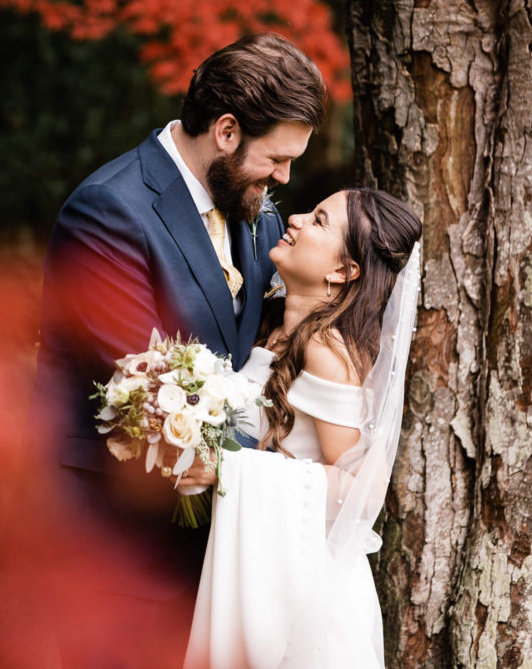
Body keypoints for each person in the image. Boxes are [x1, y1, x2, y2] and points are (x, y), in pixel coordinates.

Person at [27, 33, 327, 666]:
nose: (285, 178)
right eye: (276, 158)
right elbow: (147, 391)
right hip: (119, 548)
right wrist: (290, 475)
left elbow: (266, 348)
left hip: (220, 551)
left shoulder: (257, 212)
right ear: (226, 131)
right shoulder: (109, 212)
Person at [181, 188, 423, 668]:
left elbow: (361, 493)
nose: (293, 219)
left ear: (343, 271)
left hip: (306, 603)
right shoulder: (272, 327)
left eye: (318, 220)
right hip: (261, 576)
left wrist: (229, 469)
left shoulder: (327, 350)